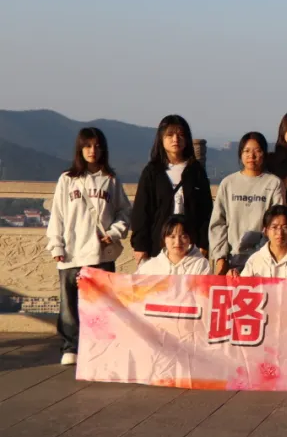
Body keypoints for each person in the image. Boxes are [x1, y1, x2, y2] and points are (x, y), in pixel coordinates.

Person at [46, 128, 131, 365]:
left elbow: (125, 211)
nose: (92, 151)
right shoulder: (67, 179)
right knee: (69, 305)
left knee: (102, 304)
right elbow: (57, 215)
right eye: (87, 146)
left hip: (100, 253)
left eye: (97, 146)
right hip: (71, 252)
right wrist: (56, 246)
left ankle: (99, 345)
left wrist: (114, 233)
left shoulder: (110, 180)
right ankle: (71, 347)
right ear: (80, 149)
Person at [132, 115, 213, 262]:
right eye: (170, 135)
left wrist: (203, 243)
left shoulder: (196, 171)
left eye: (181, 135)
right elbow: (141, 211)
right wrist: (140, 245)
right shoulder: (152, 171)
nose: (175, 139)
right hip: (158, 246)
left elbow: (206, 210)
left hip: (190, 246)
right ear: (161, 138)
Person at [209, 132, 284, 275]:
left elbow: (278, 222)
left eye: (257, 151)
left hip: (263, 259)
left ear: (264, 154)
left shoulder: (274, 183)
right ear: (240, 154)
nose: (252, 156)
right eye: (247, 151)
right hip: (232, 258)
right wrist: (220, 257)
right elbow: (218, 223)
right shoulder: (228, 183)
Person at [240, 205, 287, 279]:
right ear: (266, 231)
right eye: (274, 227)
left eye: (285, 227)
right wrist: (234, 278)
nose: (280, 233)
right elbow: (242, 285)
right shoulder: (255, 260)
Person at [136, 215, 212, 275]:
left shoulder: (201, 264)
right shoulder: (150, 267)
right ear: (164, 239)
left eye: (183, 236)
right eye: (172, 237)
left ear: (190, 239)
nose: (177, 242)